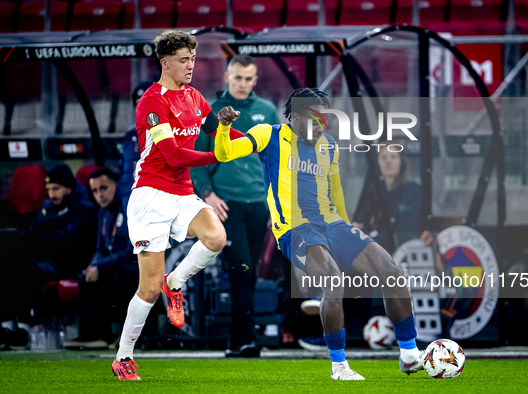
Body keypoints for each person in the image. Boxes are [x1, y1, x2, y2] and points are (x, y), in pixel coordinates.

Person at [213, 88, 424, 380]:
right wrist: (224, 129)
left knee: (392, 272)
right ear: (296, 116)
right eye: (314, 118)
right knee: (333, 282)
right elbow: (224, 153)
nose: (320, 125)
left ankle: (410, 355)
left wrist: (349, 234)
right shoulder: (268, 135)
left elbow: (335, 194)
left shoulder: (330, 146)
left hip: (333, 225)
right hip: (295, 229)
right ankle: (339, 367)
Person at [112, 29, 244, 380]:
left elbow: (221, 131)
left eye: (193, 59)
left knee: (216, 237)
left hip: (183, 192)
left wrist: (258, 139)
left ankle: (177, 281)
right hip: (150, 195)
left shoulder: (194, 96)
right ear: (164, 62)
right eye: (184, 60)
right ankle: (124, 356)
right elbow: (171, 155)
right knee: (148, 288)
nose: (190, 65)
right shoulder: (152, 103)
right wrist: (217, 151)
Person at [191, 54, 279, 358]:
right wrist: (208, 195)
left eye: (248, 78)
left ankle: (235, 338)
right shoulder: (211, 111)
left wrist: (275, 203)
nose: (242, 84)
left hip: (259, 206)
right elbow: (197, 161)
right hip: (226, 206)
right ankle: (249, 340)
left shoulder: (267, 110)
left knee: (249, 271)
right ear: (227, 77)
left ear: (255, 80)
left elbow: (276, 160)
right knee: (241, 270)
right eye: (237, 77)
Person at [299, 146, 422, 350]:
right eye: (383, 157)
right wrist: (355, 228)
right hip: (371, 249)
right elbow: (362, 222)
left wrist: (369, 236)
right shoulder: (372, 192)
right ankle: (328, 325)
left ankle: (326, 309)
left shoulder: (413, 191)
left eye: (393, 157)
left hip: (398, 250)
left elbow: (407, 228)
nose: (388, 161)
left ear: (402, 162)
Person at [1, 165, 96, 345]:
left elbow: (69, 241)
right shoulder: (48, 207)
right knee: (7, 266)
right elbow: (34, 231)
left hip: (68, 263)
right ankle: (6, 325)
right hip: (45, 259)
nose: (51, 194)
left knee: (23, 272)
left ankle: (24, 327)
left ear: (68, 187)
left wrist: (36, 238)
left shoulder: (83, 208)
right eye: (49, 189)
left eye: (56, 188)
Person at [64, 168, 149, 349]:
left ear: (116, 185)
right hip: (113, 265)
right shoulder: (102, 212)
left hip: (136, 266)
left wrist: (100, 265)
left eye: (104, 188)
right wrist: (94, 265)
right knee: (85, 278)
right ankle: (96, 335)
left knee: (119, 274)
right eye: (95, 191)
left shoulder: (128, 206)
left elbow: (130, 249)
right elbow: (100, 248)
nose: (100, 195)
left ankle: (133, 336)